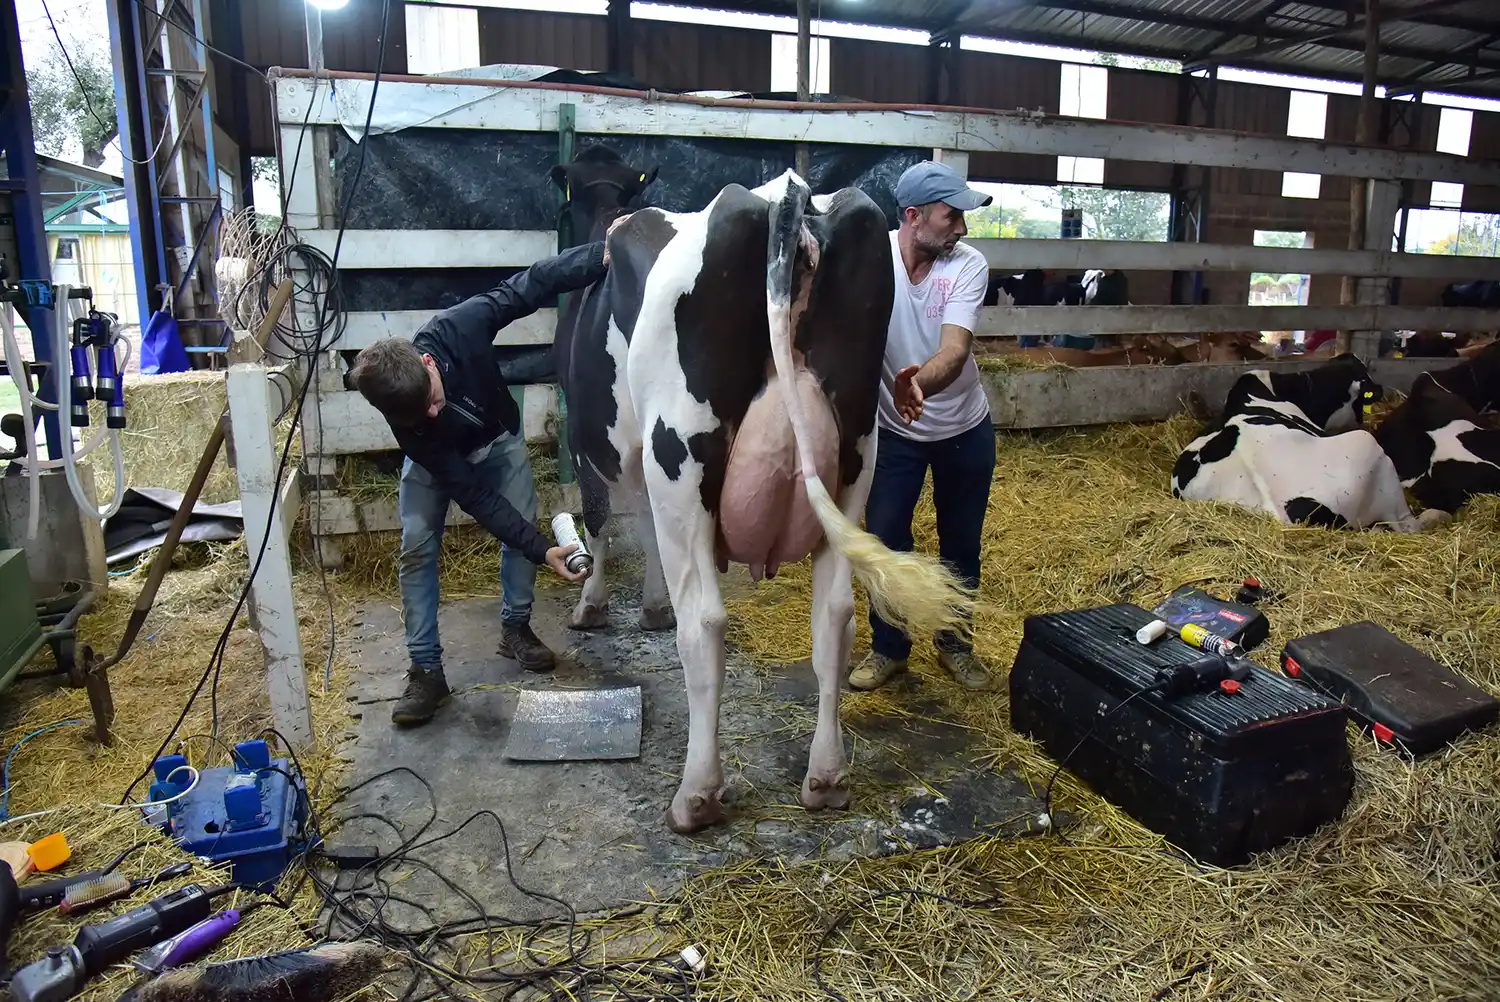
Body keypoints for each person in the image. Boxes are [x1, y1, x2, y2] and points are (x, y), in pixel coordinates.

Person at [348, 220, 628, 726]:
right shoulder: (416, 430)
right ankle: (426, 670)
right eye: (417, 417)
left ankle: (516, 628)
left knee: (520, 518)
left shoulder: (458, 327)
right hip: (443, 464)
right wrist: (545, 550)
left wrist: (597, 255)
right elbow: (475, 498)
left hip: (499, 438)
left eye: (432, 401)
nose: (432, 415)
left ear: (428, 363)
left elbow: (527, 286)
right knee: (416, 547)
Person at [848, 160, 998, 693]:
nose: (961, 227)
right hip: (895, 436)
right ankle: (889, 648)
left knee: (962, 545)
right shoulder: (870, 257)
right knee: (886, 542)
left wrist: (919, 384)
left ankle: (956, 645)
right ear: (913, 217)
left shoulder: (968, 265)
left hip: (963, 427)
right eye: (950, 215)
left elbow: (955, 350)